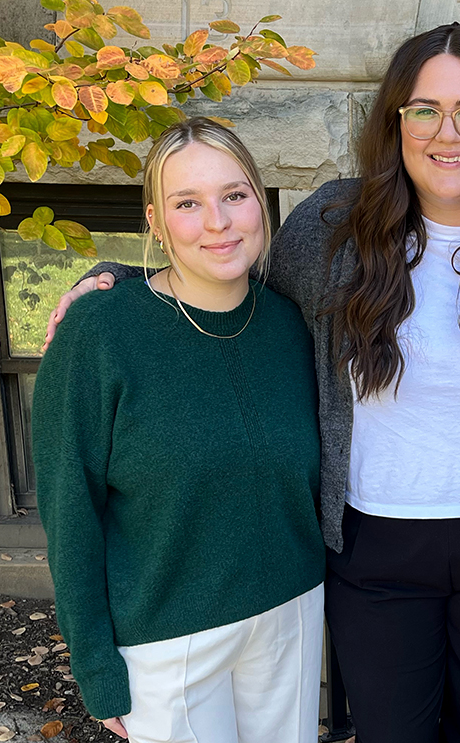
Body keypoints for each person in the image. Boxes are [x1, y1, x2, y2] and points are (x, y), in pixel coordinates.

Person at [45, 23, 460, 743]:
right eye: (424, 109)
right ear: (395, 122)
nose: (448, 131)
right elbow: (231, 284)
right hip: (372, 550)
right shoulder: (332, 228)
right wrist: (121, 283)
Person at [31, 118, 326, 743]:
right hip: (168, 637)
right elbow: (70, 508)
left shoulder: (292, 324)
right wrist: (94, 664)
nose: (217, 222)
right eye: (186, 203)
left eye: (235, 195)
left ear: (260, 203)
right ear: (154, 222)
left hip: (290, 613)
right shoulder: (100, 333)